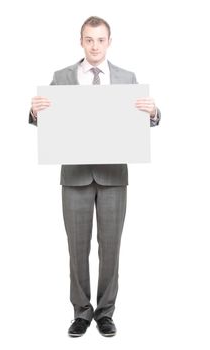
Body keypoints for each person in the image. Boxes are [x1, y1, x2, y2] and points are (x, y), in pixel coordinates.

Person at [29, 16, 160, 337]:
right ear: (81, 41)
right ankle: (81, 312)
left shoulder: (126, 78)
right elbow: (45, 122)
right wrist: (34, 112)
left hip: (114, 175)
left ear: (109, 42)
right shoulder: (61, 77)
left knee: (111, 247)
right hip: (74, 176)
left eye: (101, 40)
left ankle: (105, 312)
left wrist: (154, 112)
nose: (95, 46)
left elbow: (144, 123)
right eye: (89, 40)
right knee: (76, 248)